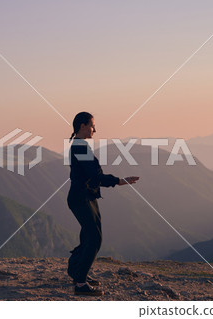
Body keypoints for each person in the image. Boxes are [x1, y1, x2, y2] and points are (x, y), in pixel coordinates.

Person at [67, 111, 140, 296]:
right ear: (82, 126)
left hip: (87, 197)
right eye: (92, 125)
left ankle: (77, 271)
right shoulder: (80, 147)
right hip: (80, 198)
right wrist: (119, 181)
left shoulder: (80, 145)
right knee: (94, 238)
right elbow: (95, 175)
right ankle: (80, 284)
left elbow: (92, 174)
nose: (95, 129)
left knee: (89, 236)